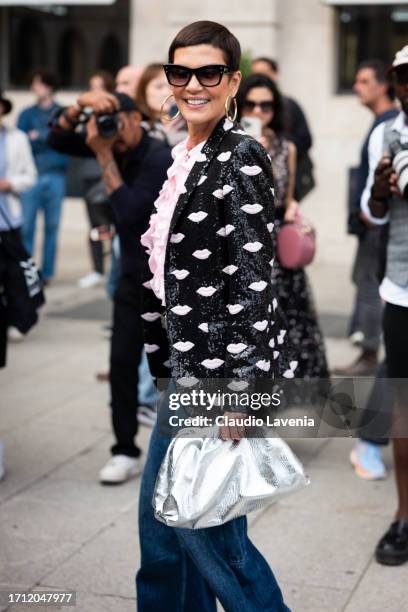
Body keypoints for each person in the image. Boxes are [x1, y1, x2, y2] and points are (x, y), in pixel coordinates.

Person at [137, 20, 297, 612]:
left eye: (209, 73)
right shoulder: (189, 153)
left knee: (212, 540)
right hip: (180, 368)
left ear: (232, 81)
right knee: (162, 531)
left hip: (214, 376)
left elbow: (256, 279)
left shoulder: (242, 156)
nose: (193, 84)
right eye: (181, 72)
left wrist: (243, 391)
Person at [48, 89, 172, 484]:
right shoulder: (109, 141)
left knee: (168, 372)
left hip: (166, 284)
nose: (111, 131)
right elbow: (56, 140)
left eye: (117, 121)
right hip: (130, 278)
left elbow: (133, 215)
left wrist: (103, 155)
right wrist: (77, 107)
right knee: (121, 364)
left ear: (136, 118)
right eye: (107, 123)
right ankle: (124, 449)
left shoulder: (159, 157)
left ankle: (177, 448)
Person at [238, 74, 329, 381]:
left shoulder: (286, 146)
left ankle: (291, 380)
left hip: (276, 233)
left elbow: (287, 195)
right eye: (251, 104)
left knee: (288, 310)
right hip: (244, 236)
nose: (258, 112)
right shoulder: (231, 144)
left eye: (266, 105)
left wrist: (292, 207)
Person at [360, 45, 408, 566]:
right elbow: (371, 213)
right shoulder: (386, 133)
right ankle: (403, 517)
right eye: (402, 79)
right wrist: (379, 188)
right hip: (403, 287)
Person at [337, 60, 398, 376]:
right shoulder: (381, 123)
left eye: (363, 81)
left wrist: (370, 208)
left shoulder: (389, 124)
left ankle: (371, 355)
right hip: (371, 218)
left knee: (371, 284)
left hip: (379, 221)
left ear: (382, 85)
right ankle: (370, 353)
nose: (357, 87)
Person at [0, 90, 37, 480]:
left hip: (6, 229)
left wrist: (9, 184)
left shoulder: (15, 140)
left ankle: (17, 317)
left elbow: (30, 177)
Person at [17, 70, 68, 284]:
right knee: (27, 226)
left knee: (52, 227)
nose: (34, 88)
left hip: (56, 175)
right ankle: (27, 272)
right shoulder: (26, 114)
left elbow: (64, 138)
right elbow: (20, 141)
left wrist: (39, 135)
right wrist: (46, 136)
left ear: (48, 86)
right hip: (32, 176)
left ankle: (47, 273)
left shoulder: (62, 112)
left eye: (38, 84)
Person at [251, 57, 313, 200]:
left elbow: (305, 140)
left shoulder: (289, 105)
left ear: (275, 74)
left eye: (266, 106)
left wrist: (277, 143)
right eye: (255, 74)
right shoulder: (243, 108)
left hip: (285, 187)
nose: (258, 110)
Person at [78, 70, 115, 290]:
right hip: (91, 180)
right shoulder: (85, 115)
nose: (94, 92)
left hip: (111, 178)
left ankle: (115, 267)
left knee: (116, 228)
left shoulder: (115, 114)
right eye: (91, 87)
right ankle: (98, 269)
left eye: (98, 87)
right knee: (96, 229)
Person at [136, 63, 187, 145]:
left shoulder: (188, 124)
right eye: (158, 87)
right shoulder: (137, 127)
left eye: (171, 87)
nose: (166, 92)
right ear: (143, 91)